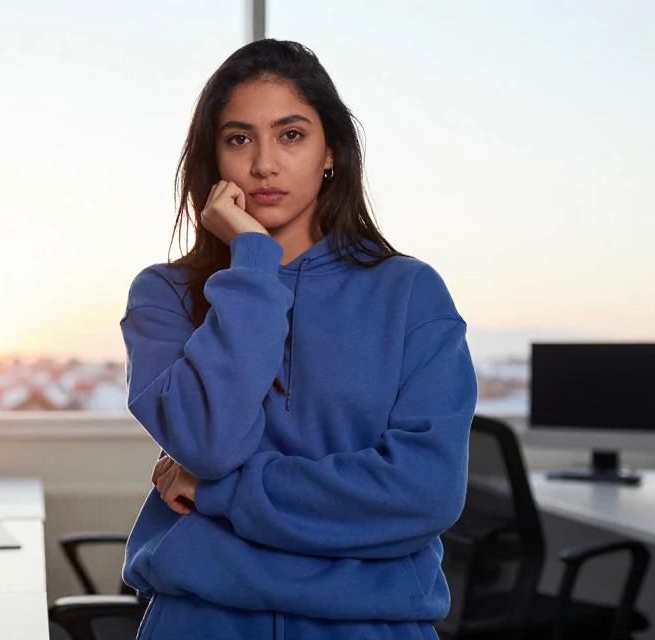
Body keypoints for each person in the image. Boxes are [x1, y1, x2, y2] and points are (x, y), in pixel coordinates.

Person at [120, 39, 477, 639]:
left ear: (330, 150)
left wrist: (221, 490)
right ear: (213, 160)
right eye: (238, 139)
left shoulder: (411, 292)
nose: (263, 164)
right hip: (204, 623)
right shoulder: (165, 295)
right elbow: (208, 441)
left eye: (290, 135)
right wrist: (253, 261)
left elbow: (425, 493)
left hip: (369, 626)